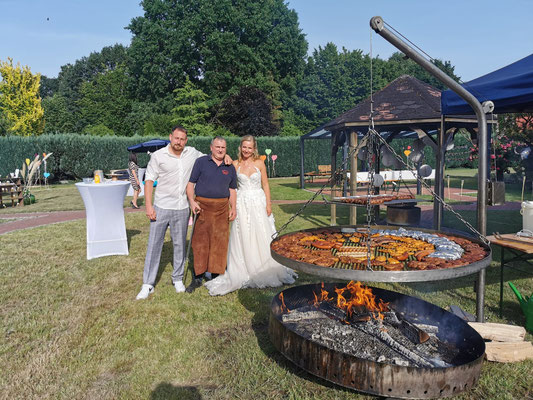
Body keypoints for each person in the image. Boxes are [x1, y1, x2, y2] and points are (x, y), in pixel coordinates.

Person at [136, 126, 232, 300]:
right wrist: (149, 206)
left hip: (182, 208)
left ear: (186, 140)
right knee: (154, 245)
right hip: (161, 206)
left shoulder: (192, 153)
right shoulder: (158, 156)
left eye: (182, 139)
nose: (179, 142)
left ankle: (178, 278)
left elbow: (212, 156)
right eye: (176, 138)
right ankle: (148, 283)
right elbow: (149, 180)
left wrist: (225, 155)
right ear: (170, 137)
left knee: (180, 245)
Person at [204, 135, 296, 296]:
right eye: (244, 147)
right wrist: (225, 156)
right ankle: (243, 268)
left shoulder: (260, 163)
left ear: (254, 149)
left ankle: (265, 267)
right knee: (243, 234)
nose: (246, 150)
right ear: (240, 147)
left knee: (261, 233)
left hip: (258, 202)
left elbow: (265, 184)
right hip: (242, 203)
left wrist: (268, 204)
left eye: (249, 147)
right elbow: (228, 181)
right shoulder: (234, 164)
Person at [185, 136, 237, 293]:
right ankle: (198, 277)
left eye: (223, 147)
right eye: (217, 147)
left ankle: (216, 275)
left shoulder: (230, 166)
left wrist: (233, 207)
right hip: (203, 207)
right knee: (200, 242)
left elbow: (232, 189)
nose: (220, 150)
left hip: (222, 208)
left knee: (220, 242)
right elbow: (190, 184)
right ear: (211, 147)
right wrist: (192, 201)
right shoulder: (201, 162)